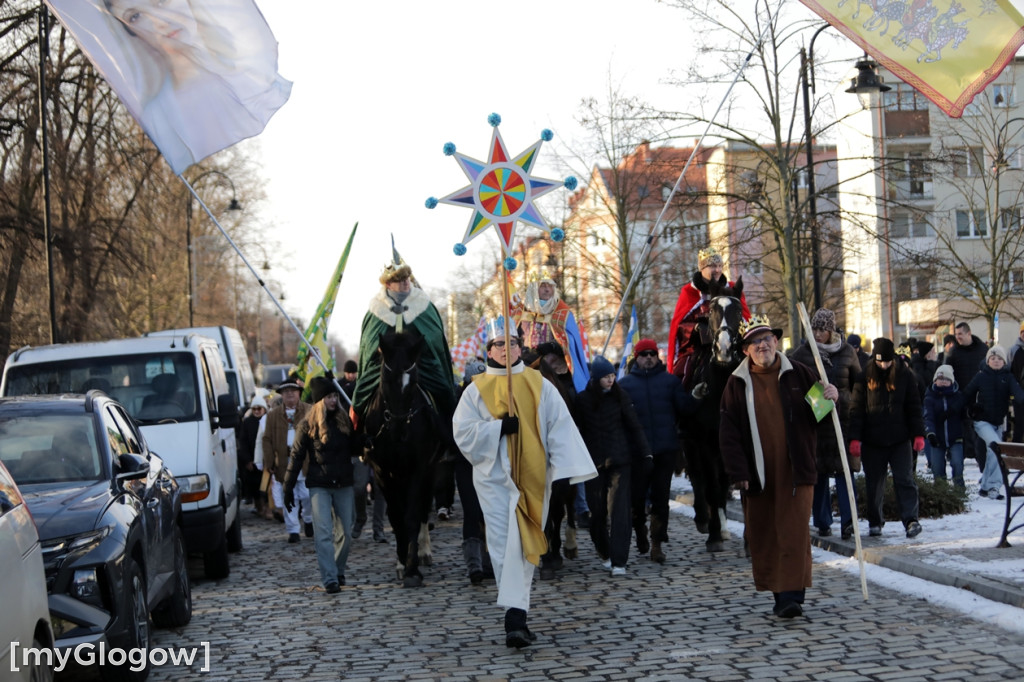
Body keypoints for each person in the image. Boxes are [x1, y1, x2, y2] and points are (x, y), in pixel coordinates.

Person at [452, 317, 597, 648]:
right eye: (499, 344)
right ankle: (515, 619)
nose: (506, 349)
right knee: (505, 547)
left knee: (526, 543)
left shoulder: (539, 384)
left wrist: (565, 465)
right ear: (489, 349)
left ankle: (516, 617)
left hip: (533, 479)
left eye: (512, 343)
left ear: (520, 347)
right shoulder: (475, 390)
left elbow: (559, 425)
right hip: (494, 480)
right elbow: (462, 432)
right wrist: (497, 429)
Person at [719, 314, 839, 619]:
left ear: (776, 341)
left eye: (767, 339)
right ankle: (779, 592)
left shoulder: (799, 373)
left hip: (797, 470)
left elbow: (819, 415)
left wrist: (831, 398)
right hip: (757, 474)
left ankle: (791, 595)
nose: (763, 345)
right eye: (755, 342)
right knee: (765, 533)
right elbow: (728, 433)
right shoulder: (736, 383)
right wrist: (738, 473)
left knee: (794, 532)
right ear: (746, 349)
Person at [92, 0, 292, 173]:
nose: (159, 20)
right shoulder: (156, 118)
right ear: (131, 32)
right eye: (136, 16)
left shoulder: (249, 77)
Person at [618, 338, 700, 562]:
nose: (648, 358)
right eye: (644, 354)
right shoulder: (625, 385)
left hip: (665, 449)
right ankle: (640, 531)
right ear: (637, 357)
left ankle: (657, 542)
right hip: (638, 452)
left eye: (652, 354)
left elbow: (684, 409)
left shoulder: (669, 381)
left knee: (661, 498)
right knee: (636, 499)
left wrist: (696, 397)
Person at [352, 260, 456, 428]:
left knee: (445, 391)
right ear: (388, 284)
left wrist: (420, 348)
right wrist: (377, 349)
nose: (406, 282)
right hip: (384, 364)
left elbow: (435, 337)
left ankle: (451, 436)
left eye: (407, 277)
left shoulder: (424, 305)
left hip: (419, 362)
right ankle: (357, 436)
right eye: (399, 280)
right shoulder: (376, 310)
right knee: (359, 395)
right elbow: (367, 343)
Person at [787, 308, 861, 540]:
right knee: (817, 473)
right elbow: (791, 385)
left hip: (842, 422)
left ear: (831, 330)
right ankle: (822, 521)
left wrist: (840, 396)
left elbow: (858, 388)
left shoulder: (847, 352)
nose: (818, 334)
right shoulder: (803, 353)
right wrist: (811, 394)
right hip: (815, 423)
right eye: (815, 329)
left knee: (844, 473)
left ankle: (849, 522)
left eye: (823, 330)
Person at [574, 356, 652, 577]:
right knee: (597, 513)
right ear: (597, 378)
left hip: (620, 460)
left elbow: (634, 425)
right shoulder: (583, 400)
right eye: (606, 377)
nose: (611, 380)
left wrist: (645, 452)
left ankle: (620, 560)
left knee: (619, 511)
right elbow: (575, 430)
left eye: (612, 376)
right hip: (593, 463)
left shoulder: (620, 396)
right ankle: (605, 551)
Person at [283, 376, 356, 594]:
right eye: (329, 397)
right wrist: (288, 488)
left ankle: (337, 568)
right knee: (323, 532)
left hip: (343, 482)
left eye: (335, 396)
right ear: (318, 401)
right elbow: (296, 457)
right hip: (319, 485)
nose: (333, 400)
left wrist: (365, 442)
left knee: (346, 532)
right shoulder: (306, 426)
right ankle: (330, 578)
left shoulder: (345, 421)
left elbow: (354, 446)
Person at [849, 338, 926, 539]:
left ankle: (911, 520)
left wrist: (918, 434)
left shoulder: (905, 375)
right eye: (880, 361)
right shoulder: (863, 377)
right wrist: (854, 438)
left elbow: (914, 407)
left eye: (887, 361)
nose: (884, 365)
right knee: (874, 483)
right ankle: (875, 521)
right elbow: (856, 410)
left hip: (900, 439)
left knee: (905, 479)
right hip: (873, 441)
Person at [667, 246, 751, 387]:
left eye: (719, 266)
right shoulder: (689, 292)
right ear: (702, 268)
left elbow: (745, 319)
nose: (717, 270)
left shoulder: (731, 288)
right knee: (683, 374)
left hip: (731, 343)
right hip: (699, 347)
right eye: (712, 266)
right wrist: (695, 327)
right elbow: (678, 326)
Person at [963, 345, 1024, 500]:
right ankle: (994, 487)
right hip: (982, 421)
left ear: (1004, 361)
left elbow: (1018, 394)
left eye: (999, 359)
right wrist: (967, 410)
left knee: (993, 453)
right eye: (993, 358)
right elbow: (966, 394)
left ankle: (984, 485)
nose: (996, 361)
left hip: (998, 422)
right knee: (998, 447)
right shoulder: (981, 376)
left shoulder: (1008, 377)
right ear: (988, 361)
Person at [262, 374, 312, 543]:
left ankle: (308, 519)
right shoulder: (273, 415)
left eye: (293, 391)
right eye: (286, 391)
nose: (290, 394)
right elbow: (267, 439)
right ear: (281, 395)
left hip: (304, 461)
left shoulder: (309, 410)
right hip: (284, 461)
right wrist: (269, 462)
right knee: (288, 496)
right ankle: (293, 530)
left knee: (306, 495)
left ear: (299, 393)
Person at [946, 322, 989, 470]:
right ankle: (960, 463)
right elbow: (947, 373)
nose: (957, 337)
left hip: (979, 397)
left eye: (960, 334)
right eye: (956, 334)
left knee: (979, 431)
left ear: (968, 333)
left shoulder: (983, 349)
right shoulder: (954, 352)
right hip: (961, 395)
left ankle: (981, 461)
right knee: (963, 430)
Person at [923, 365, 967, 489]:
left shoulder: (958, 396)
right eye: (940, 379)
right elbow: (928, 417)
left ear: (952, 381)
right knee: (937, 467)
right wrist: (930, 433)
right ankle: (940, 491)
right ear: (935, 380)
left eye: (946, 379)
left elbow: (964, 414)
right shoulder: (930, 397)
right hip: (937, 437)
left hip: (955, 436)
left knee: (957, 464)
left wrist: (969, 412)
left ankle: (959, 490)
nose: (943, 382)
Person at [238, 393, 268, 516]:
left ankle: (268, 508)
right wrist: (247, 460)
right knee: (255, 485)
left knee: (266, 486)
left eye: (259, 408)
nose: (256, 411)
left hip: (266, 459)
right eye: (254, 409)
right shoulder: (247, 423)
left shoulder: (268, 420)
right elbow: (242, 442)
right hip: (252, 459)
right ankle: (259, 507)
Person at [1008, 322, 1024, 441]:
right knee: (1019, 422)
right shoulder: (1013, 350)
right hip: (1018, 392)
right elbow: (1008, 371)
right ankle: (1016, 450)